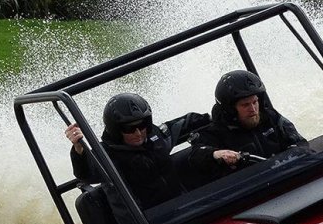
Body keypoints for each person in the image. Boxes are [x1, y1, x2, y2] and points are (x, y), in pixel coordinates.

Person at [65, 92, 207, 209]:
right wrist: (79, 148)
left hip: (186, 210)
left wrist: (217, 114)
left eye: (142, 124)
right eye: (129, 128)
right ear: (116, 130)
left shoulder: (155, 137)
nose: (138, 133)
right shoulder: (106, 155)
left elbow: (182, 124)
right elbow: (85, 173)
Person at [189, 70, 308, 181]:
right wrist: (216, 154)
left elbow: (301, 144)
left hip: (286, 179)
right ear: (230, 110)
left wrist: (294, 152)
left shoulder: (271, 117)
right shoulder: (214, 133)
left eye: (255, 102)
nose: (253, 109)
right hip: (249, 193)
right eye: (245, 105)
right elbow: (196, 156)